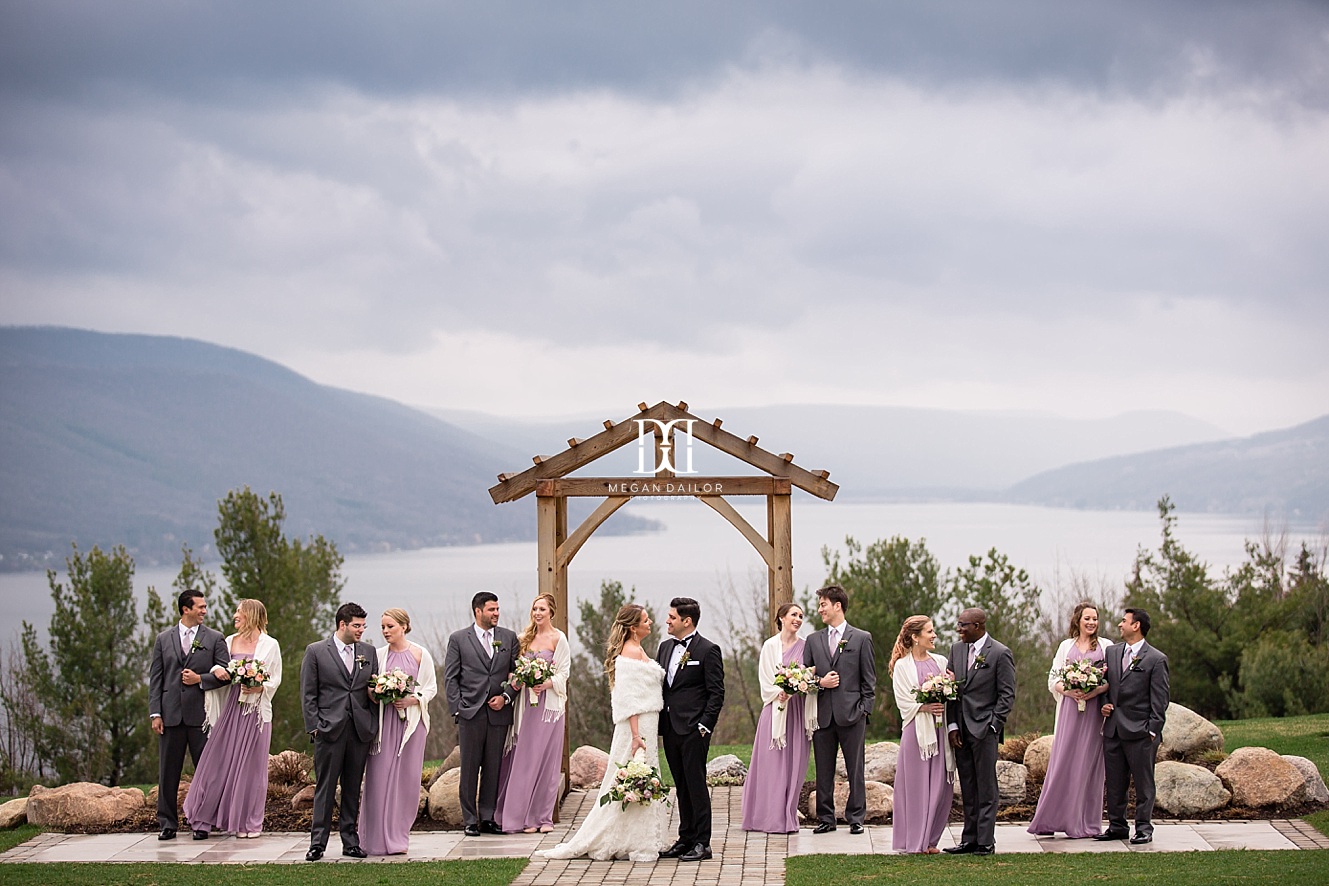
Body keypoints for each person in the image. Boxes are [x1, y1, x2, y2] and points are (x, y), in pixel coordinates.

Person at [537, 604, 668, 862]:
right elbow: (629, 699)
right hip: (636, 727)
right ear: (633, 627)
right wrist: (635, 736)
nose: (650, 622)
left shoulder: (637, 649)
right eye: (645, 619)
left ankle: (639, 836)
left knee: (643, 777)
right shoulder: (629, 653)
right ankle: (620, 838)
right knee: (629, 778)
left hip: (647, 724)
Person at [183, 599, 282, 838]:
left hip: (256, 713)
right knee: (217, 764)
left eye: (239, 612)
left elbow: (275, 677)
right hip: (230, 711)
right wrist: (214, 673)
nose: (235, 615)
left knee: (252, 769)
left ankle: (248, 823)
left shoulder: (270, 645)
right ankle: (203, 816)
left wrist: (260, 688)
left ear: (251, 615)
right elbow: (220, 671)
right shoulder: (227, 641)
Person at [300, 601, 379, 861]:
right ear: (342, 625)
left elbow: (371, 690)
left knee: (352, 787)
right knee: (325, 788)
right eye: (357, 626)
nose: (361, 631)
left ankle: (350, 842)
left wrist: (373, 718)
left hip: (358, 731)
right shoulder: (316, 651)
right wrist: (315, 727)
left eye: (363, 626)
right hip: (328, 731)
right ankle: (317, 844)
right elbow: (308, 694)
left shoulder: (368, 651)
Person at [148, 589, 229, 840]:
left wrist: (200, 680)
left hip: (200, 716)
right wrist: (155, 713)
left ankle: (202, 822)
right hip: (170, 715)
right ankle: (167, 824)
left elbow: (226, 674)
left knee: (205, 772)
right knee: (168, 772)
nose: (205, 611)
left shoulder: (215, 638)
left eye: (205, 607)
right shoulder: (163, 639)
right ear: (186, 609)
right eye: (200, 607)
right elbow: (156, 678)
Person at [1028, 603, 1113, 838]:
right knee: (1063, 761)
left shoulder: (1106, 646)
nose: (1091, 623)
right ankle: (1050, 819)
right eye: (1087, 618)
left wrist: (1094, 691)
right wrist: (1068, 690)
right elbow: (1053, 677)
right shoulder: (1066, 646)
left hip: (1094, 713)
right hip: (1069, 710)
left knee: (1088, 763)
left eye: (1095, 619)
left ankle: (1083, 823)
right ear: (1077, 620)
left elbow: (1113, 679)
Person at [443, 591, 520, 837]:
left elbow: (517, 674)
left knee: (493, 767)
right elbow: (451, 678)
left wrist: (506, 697)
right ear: (478, 611)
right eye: (491, 610)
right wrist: (459, 708)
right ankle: (469, 819)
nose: (496, 613)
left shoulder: (509, 638)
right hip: (470, 713)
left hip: (499, 713)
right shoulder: (458, 639)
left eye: (497, 609)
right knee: (469, 768)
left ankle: (487, 818)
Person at [362, 608, 438, 855]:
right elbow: (370, 688)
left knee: (406, 781)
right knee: (379, 780)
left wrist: (412, 699)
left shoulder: (420, 654)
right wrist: (378, 693)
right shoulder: (378, 655)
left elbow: (430, 689)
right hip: (384, 729)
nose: (385, 631)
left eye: (390, 626)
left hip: (411, 727)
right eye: (383, 627)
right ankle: (372, 840)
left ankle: (398, 838)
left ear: (404, 626)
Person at [495, 593, 571, 833]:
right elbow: (515, 674)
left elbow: (564, 673)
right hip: (526, 707)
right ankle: (522, 817)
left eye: (542, 609)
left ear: (551, 612)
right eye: (535, 609)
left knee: (547, 761)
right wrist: (511, 688)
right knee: (525, 759)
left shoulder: (559, 639)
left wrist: (547, 683)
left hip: (549, 708)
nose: (537, 613)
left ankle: (543, 817)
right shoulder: (523, 639)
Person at [656, 596, 725, 862]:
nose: (667, 621)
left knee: (696, 785)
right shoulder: (664, 648)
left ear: (687, 621)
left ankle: (702, 843)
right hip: (670, 728)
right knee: (681, 785)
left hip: (695, 730)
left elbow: (716, 693)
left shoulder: (708, 650)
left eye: (672, 617)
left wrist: (704, 726)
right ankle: (685, 838)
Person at [804, 584, 876, 835]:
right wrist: (820, 683)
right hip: (823, 716)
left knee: (855, 768)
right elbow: (805, 678)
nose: (819, 609)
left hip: (852, 714)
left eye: (823, 604)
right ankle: (826, 818)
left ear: (837, 606)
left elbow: (869, 679)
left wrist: (864, 709)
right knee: (823, 769)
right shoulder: (813, 640)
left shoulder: (861, 638)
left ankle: (856, 817)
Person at [944, 607, 1016, 856]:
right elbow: (952, 691)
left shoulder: (1000, 653)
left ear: (978, 626)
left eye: (963, 625)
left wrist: (994, 725)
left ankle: (986, 841)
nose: (959, 629)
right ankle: (969, 840)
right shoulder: (956, 649)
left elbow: (1007, 695)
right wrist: (952, 726)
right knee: (968, 786)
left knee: (986, 787)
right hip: (961, 731)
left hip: (985, 730)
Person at [742, 602, 818, 834]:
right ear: (781, 618)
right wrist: (780, 692)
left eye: (801, 616)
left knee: (795, 764)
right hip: (775, 712)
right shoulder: (769, 646)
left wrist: (801, 684)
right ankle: (765, 817)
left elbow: (812, 674)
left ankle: (787, 816)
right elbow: (765, 680)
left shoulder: (807, 646)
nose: (797, 619)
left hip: (797, 713)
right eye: (793, 615)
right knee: (771, 765)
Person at [1096, 607, 1169, 845]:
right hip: (1114, 730)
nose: (1120, 624)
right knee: (1115, 782)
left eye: (1124, 621)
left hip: (1141, 733)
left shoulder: (1156, 659)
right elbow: (1106, 685)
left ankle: (1144, 828)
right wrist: (1104, 705)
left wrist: (1152, 730)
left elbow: (1160, 699)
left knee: (1143, 783)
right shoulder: (1112, 652)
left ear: (1136, 625)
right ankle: (1117, 826)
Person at [890, 615, 954, 854]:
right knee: (916, 789)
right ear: (915, 637)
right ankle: (914, 841)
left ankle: (930, 840)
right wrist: (925, 706)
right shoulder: (902, 666)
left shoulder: (940, 662)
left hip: (939, 733)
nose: (934, 635)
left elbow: (951, 693)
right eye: (929, 631)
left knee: (940, 787)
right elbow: (903, 702)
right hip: (916, 734)